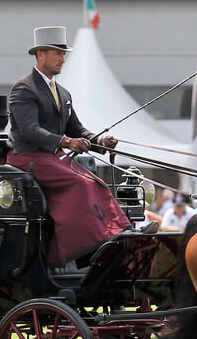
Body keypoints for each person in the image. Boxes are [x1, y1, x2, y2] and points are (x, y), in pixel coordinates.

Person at [7, 26, 131, 265]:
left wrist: (99, 141)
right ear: (40, 54)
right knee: (80, 183)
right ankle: (81, 247)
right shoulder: (24, 89)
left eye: (63, 54)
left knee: (97, 182)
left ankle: (119, 230)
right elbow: (30, 130)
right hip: (28, 158)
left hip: (53, 158)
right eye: (58, 54)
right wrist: (65, 141)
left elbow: (76, 129)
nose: (63, 59)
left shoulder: (63, 93)